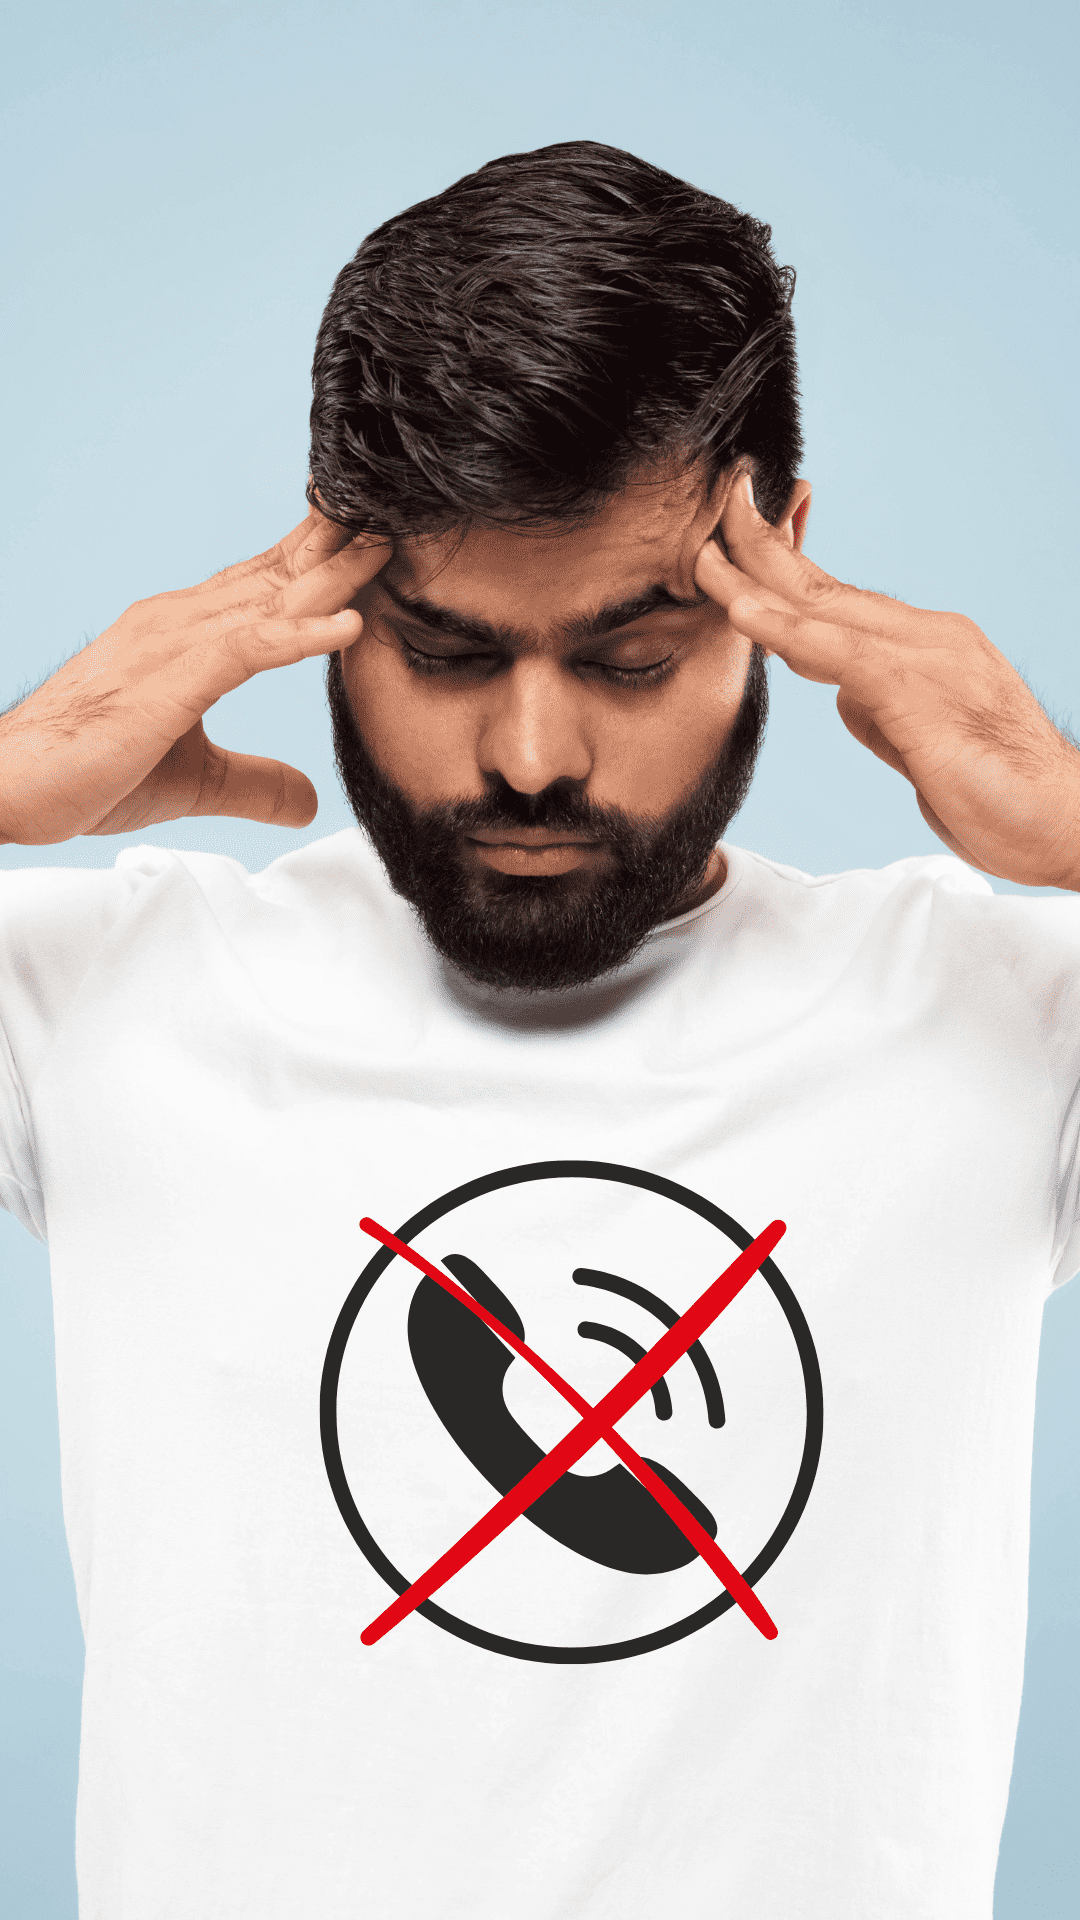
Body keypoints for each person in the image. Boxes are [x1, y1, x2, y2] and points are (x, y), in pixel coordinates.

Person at [1, 140, 1076, 1920]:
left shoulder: (996, 1019)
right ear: (327, 591)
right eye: (441, 652)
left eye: (631, 658)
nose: (528, 756)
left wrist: (1067, 814)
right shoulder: (103, 995)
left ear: (782, 565)